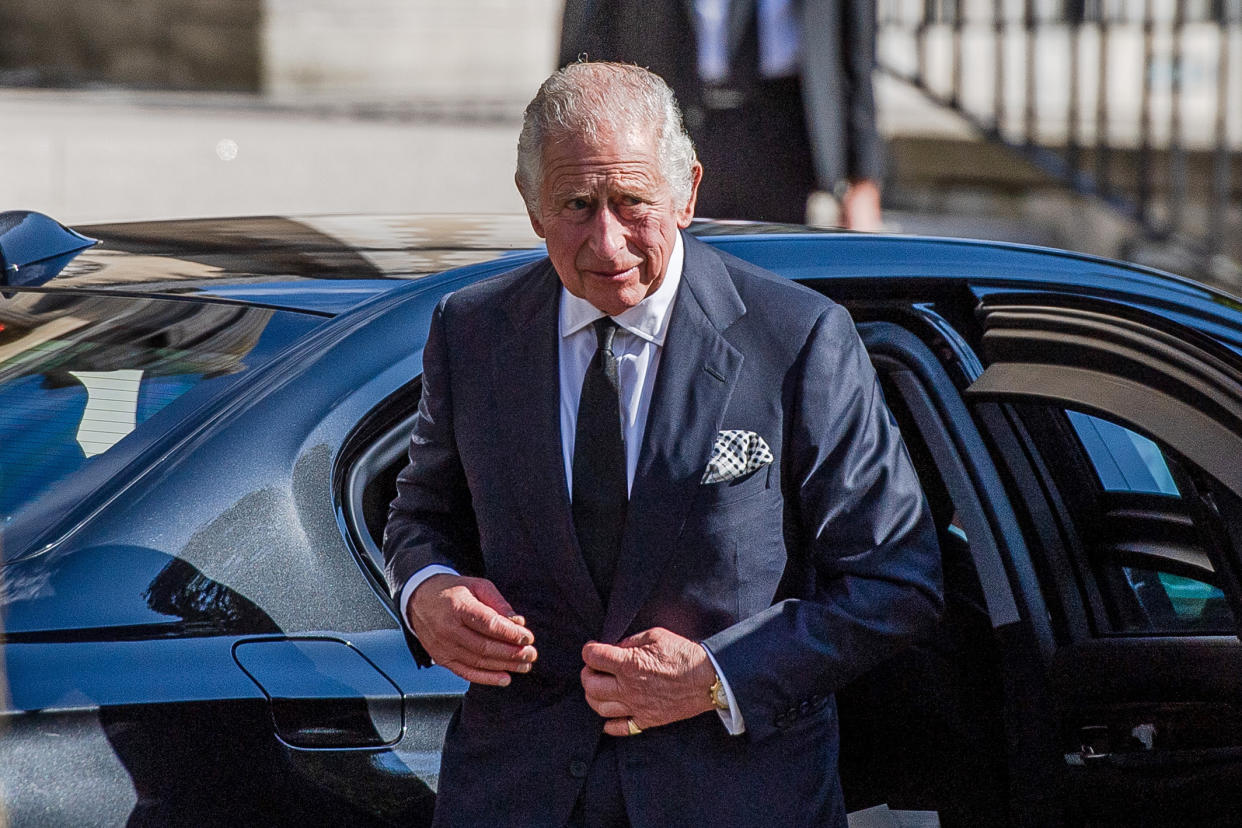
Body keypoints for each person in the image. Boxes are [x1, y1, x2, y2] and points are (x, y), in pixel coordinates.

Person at [382, 61, 940, 827]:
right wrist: (427, 593)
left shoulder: (798, 339)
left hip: (732, 795)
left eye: (631, 202)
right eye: (576, 205)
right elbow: (422, 516)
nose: (606, 242)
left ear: (687, 194)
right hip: (519, 794)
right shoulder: (472, 332)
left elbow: (895, 582)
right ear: (531, 203)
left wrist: (716, 675)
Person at [559, 0, 885, 229]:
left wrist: (863, 179)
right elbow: (587, 30)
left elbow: (857, 47)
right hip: (670, 117)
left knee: (776, 288)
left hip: (783, 123)